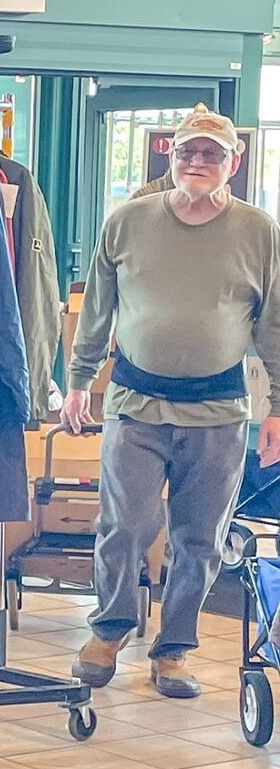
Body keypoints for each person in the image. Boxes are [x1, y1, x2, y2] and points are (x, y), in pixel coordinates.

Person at [65, 110, 280, 698]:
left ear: (233, 162)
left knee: (201, 537)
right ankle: (109, 629)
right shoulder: (128, 221)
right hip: (135, 403)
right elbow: (96, 311)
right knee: (124, 524)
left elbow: (275, 326)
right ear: (172, 156)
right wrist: (80, 380)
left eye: (212, 154)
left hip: (219, 412)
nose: (198, 163)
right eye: (188, 152)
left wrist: (278, 411)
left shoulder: (259, 231)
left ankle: (174, 650)